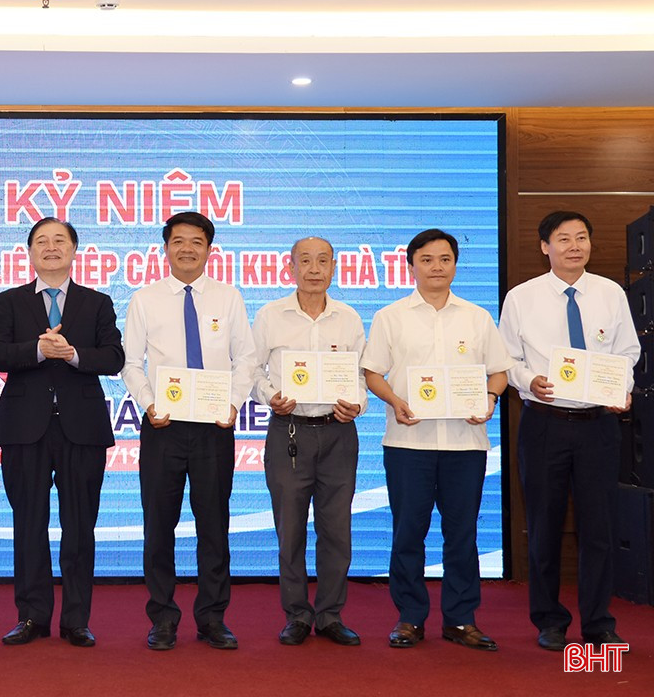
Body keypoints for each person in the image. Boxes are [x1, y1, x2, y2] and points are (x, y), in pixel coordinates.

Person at [362, 228, 512, 652]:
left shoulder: (477, 317)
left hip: (466, 443)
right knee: (408, 533)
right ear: (411, 265)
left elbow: (499, 371)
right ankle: (410, 617)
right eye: (426, 260)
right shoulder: (391, 316)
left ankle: (461, 619)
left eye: (445, 259)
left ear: (455, 265)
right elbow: (372, 372)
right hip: (408, 443)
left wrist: (489, 398)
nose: (436, 267)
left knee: (462, 534)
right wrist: (395, 400)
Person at [498, 211, 639, 652]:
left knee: (600, 528)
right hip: (545, 424)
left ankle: (598, 622)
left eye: (581, 238)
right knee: (544, 525)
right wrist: (528, 381)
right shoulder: (521, 297)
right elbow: (506, 359)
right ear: (545, 247)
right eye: (563, 239)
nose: (574, 246)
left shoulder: (610, 293)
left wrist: (621, 389)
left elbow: (628, 351)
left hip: (599, 425)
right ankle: (549, 620)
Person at [0, 218, 124, 648]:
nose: (50, 247)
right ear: (29, 252)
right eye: (41, 241)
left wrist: (74, 354)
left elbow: (114, 357)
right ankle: (31, 616)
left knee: (80, 527)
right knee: (28, 524)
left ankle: (76, 620)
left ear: (74, 250)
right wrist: (38, 350)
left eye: (59, 240)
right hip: (25, 428)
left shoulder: (97, 302)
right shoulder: (10, 301)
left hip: (82, 429)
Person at [121, 211, 255, 652]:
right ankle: (162, 617)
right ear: (165, 248)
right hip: (163, 427)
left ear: (209, 249)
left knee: (213, 525)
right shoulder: (145, 299)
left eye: (197, 241)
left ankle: (212, 618)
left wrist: (233, 404)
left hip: (214, 427)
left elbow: (246, 359)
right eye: (178, 241)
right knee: (159, 526)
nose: (187, 249)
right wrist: (149, 403)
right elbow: (130, 363)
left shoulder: (228, 298)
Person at [250, 236, 365, 647]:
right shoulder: (270, 316)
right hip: (289, 432)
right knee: (291, 530)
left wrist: (358, 403)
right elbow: (251, 370)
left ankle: (330, 615)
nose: (314, 269)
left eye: (322, 261)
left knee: (337, 530)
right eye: (305, 261)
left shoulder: (348, 318)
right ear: (291, 267)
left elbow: (359, 374)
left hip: (338, 433)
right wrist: (270, 396)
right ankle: (297, 614)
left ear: (334, 267)